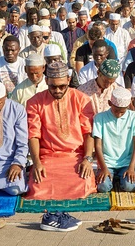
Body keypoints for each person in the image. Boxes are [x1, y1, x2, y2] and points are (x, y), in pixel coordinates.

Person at [26, 61, 96, 200]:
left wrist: (87, 159)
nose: (57, 90)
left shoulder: (82, 99)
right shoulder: (35, 102)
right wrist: (37, 163)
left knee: (84, 183)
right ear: (46, 81)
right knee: (37, 186)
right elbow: (33, 135)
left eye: (62, 86)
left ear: (68, 80)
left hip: (76, 156)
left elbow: (88, 133)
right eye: (53, 86)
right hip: (48, 157)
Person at [94, 88, 135, 193]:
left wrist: (131, 167)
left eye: (122, 112)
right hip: (107, 162)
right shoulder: (99, 118)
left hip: (127, 163)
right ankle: (113, 178)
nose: (119, 114)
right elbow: (98, 145)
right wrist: (103, 168)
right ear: (110, 103)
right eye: (116, 111)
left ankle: (121, 177)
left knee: (128, 187)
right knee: (103, 187)